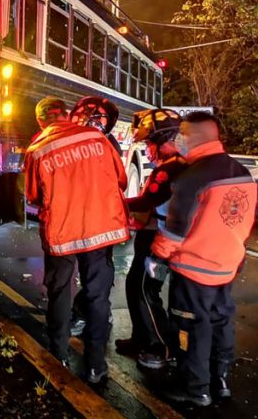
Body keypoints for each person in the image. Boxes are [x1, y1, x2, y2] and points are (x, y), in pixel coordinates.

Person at [147, 112, 256, 407]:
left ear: (196, 136)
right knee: (221, 322)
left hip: (194, 269)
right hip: (227, 266)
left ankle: (195, 389)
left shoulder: (192, 177)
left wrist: (156, 259)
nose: (178, 139)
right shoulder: (241, 172)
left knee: (190, 328)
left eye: (182, 133)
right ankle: (220, 381)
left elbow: (175, 232)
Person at [24, 96, 129, 383]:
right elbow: (121, 179)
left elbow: (33, 196)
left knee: (60, 292)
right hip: (100, 229)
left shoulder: (37, 149)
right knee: (97, 297)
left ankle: (58, 355)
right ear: (67, 115)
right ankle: (96, 365)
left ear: (40, 120)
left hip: (62, 234)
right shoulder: (98, 139)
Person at [113, 109, 187, 370]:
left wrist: (117, 201)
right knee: (135, 286)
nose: (147, 149)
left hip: (160, 240)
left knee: (146, 289)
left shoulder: (172, 168)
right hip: (152, 235)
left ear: (161, 139)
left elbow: (148, 200)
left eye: (149, 143)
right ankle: (142, 338)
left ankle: (162, 347)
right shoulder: (172, 165)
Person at [68, 96, 122, 337]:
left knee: (96, 276)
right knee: (89, 274)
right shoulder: (67, 142)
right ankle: (94, 312)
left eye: (98, 117)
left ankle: (89, 316)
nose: (92, 120)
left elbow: (119, 181)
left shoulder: (109, 146)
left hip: (100, 223)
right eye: (88, 114)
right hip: (77, 221)